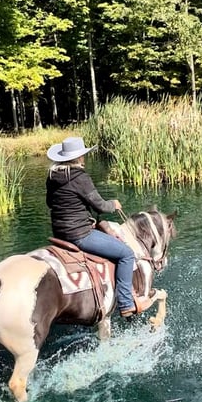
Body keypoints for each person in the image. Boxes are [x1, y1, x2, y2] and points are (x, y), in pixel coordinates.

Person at [46, 136, 138, 318]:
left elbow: (50, 203)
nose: (84, 159)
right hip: (80, 234)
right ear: (79, 158)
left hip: (59, 233)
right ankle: (126, 303)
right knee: (126, 254)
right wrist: (114, 204)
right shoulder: (80, 177)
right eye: (83, 156)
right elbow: (100, 206)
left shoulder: (52, 177)